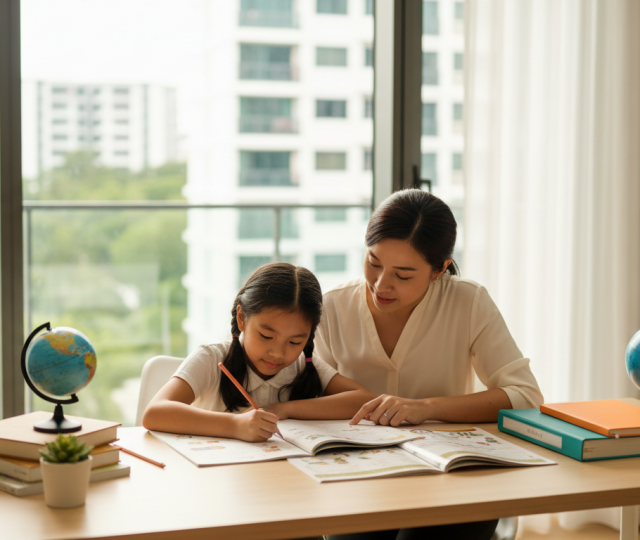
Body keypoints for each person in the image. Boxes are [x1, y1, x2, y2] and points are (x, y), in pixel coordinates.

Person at [315, 189, 544, 540]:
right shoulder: (333, 308)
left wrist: (425, 408)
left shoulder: (468, 301)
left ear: (439, 270)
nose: (381, 284)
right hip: (361, 475)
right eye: (373, 262)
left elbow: (525, 396)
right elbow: (314, 401)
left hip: (448, 474)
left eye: (403, 275)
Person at [143, 262, 376, 442]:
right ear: (241, 318)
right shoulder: (211, 359)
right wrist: (235, 425)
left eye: (295, 342)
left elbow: (364, 400)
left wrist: (282, 409)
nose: (277, 353)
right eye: (266, 336)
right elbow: (155, 413)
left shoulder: (303, 365)